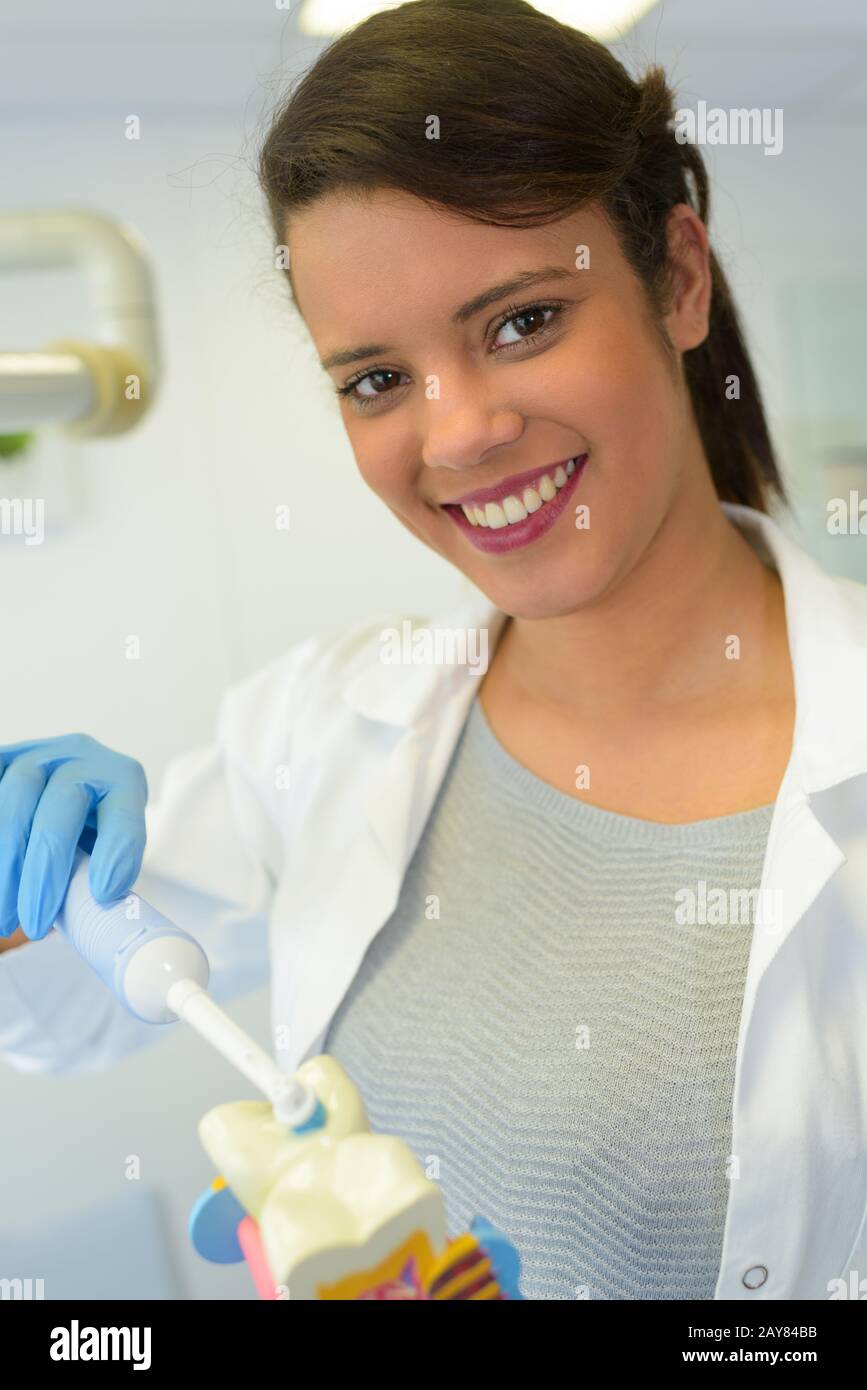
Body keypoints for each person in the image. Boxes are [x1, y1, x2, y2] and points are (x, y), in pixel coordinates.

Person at [2, 0, 866, 1301]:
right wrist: (27, 886)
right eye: (376, 379)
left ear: (677, 279)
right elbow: (68, 1012)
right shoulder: (317, 726)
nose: (456, 433)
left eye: (521, 321)